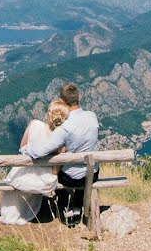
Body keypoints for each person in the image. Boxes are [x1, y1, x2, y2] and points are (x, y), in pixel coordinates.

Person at [20, 83, 99, 226]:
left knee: (59, 174)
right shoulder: (92, 116)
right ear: (78, 97)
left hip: (72, 179)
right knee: (82, 172)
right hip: (92, 174)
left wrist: (25, 149)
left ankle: (65, 209)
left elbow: (39, 151)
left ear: (62, 101)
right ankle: (77, 208)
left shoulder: (66, 127)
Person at [0, 99, 71, 225]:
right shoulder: (60, 140)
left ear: (49, 114)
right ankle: (29, 212)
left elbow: (22, 147)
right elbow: (55, 170)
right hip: (42, 181)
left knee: (16, 179)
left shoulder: (34, 125)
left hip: (22, 176)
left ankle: (13, 212)